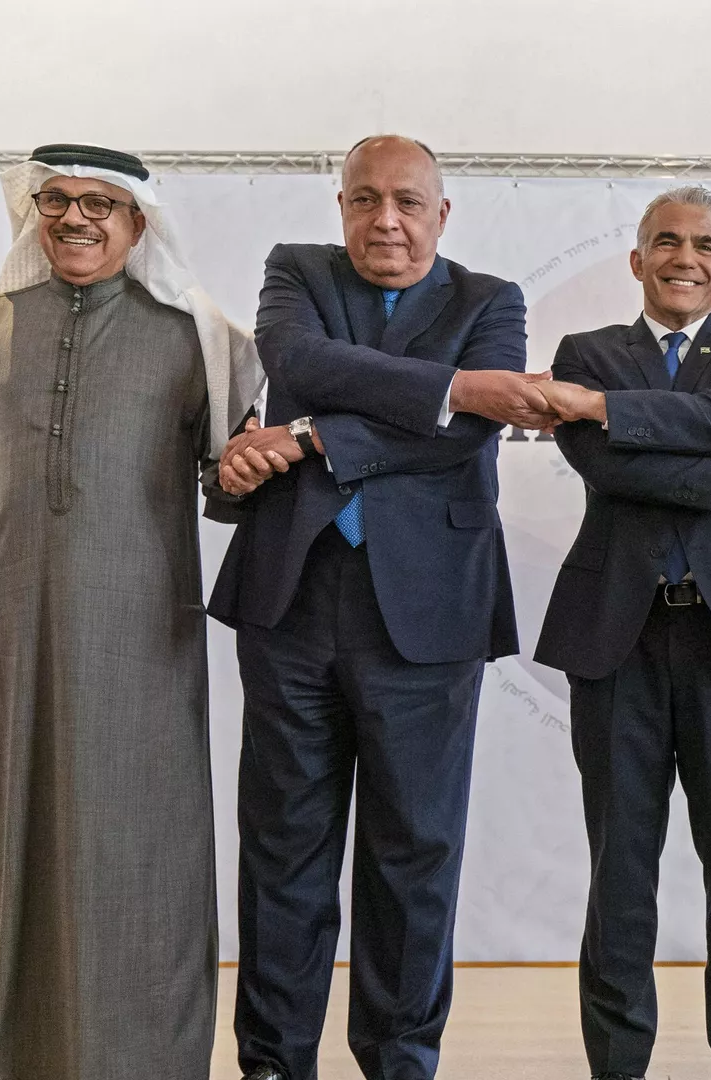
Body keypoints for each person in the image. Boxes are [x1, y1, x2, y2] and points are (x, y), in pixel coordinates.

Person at [0, 143, 261, 1079]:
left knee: (137, 839)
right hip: (4, 631)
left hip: (140, 633)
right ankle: (0, 1055)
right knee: (8, 837)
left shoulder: (199, 339)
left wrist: (244, 472)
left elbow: (228, 492)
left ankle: (137, 1057)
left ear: (138, 224)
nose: (75, 218)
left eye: (100, 204)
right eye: (57, 200)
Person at [207, 134, 546, 1080]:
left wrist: (312, 436)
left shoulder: (492, 301)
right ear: (342, 207)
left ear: (443, 214)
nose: (385, 220)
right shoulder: (298, 273)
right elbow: (300, 360)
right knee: (283, 847)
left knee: (415, 852)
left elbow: (465, 432)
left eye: (407, 202)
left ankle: (399, 1061)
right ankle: (273, 1062)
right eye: (365, 200)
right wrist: (448, 388)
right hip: (293, 599)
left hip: (430, 611)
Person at [531, 185, 711, 1080]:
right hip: (616, 636)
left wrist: (614, 411)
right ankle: (618, 1065)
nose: (682, 258)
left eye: (702, 245)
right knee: (620, 869)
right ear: (637, 259)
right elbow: (606, 467)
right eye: (665, 241)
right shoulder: (585, 352)